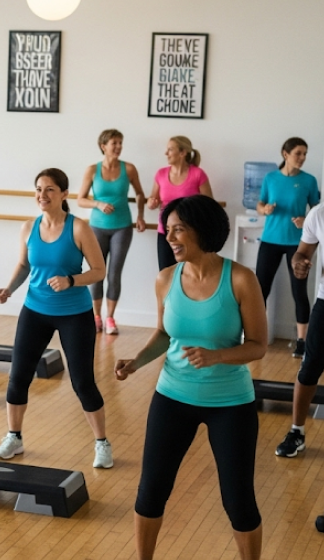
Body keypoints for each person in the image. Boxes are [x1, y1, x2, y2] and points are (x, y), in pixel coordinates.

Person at [116, 195, 266, 560]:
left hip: (229, 402)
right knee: (151, 490)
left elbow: (259, 345)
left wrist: (218, 356)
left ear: (204, 230)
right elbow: (165, 335)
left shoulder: (241, 280)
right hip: (172, 396)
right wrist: (136, 361)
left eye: (179, 230)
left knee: (238, 499)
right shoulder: (166, 279)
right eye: (168, 230)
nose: (170, 238)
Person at [0, 168, 112, 467]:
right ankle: (14, 437)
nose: (42, 195)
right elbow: (23, 265)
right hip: (35, 310)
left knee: (82, 382)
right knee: (18, 376)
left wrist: (71, 280)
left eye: (49, 189)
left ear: (63, 194)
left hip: (74, 314)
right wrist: (9, 288)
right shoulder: (28, 228)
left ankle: (102, 443)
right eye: (38, 189)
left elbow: (100, 271)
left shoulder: (79, 228)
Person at [76, 129, 147, 335]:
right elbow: (80, 199)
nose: (118, 147)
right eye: (114, 143)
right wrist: (97, 204)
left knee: (114, 273)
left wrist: (141, 216)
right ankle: (96, 317)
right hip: (97, 227)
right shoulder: (92, 170)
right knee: (97, 272)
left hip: (122, 227)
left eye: (120, 143)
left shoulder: (129, 169)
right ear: (103, 146)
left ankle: (110, 318)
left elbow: (141, 194)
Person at [255, 137, 318, 359]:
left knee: (299, 291)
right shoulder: (270, 178)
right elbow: (260, 204)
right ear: (285, 154)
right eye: (298, 153)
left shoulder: (309, 181)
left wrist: (305, 219)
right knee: (259, 289)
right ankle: (255, 336)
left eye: (304, 154)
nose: (302, 158)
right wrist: (265, 210)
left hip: (297, 245)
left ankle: (302, 341)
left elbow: (317, 210)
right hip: (270, 240)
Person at [275, 197, 324, 458]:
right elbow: (303, 253)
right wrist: (298, 264)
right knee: (309, 367)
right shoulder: (318, 214)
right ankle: (297, 431)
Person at [147, 136, 213, 271]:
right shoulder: (161, 174)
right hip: (165, 232)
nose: (166, 153)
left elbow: (209, 205)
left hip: (190, 233)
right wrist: (152, 203)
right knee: (166, 273)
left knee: (188, 273)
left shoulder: (198, 174)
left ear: (183, 153)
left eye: (170, 149)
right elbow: (152, 199)